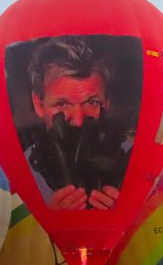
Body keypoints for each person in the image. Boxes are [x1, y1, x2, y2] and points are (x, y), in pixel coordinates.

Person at [23, 36, 131, 211]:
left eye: (91, 102)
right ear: (38, 104)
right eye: (62, 104)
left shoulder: (138, 161)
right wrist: (45, 220)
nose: (79, 121)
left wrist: (130, 213)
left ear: (107, 101)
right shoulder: (16, 174)